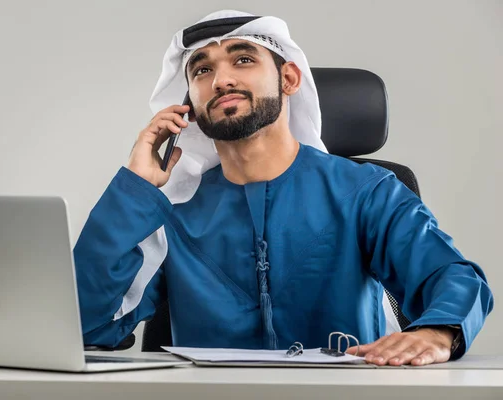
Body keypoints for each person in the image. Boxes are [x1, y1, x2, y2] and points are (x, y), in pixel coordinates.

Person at [73, 10, 493, 366]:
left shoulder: (367, 191)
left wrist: (439, 331)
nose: (220, 80)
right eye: (202, 69)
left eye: (242, 60)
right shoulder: (171, 209)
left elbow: (449, 275)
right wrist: (135, 190)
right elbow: (87, 325)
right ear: (190, 107)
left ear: (289, 79)